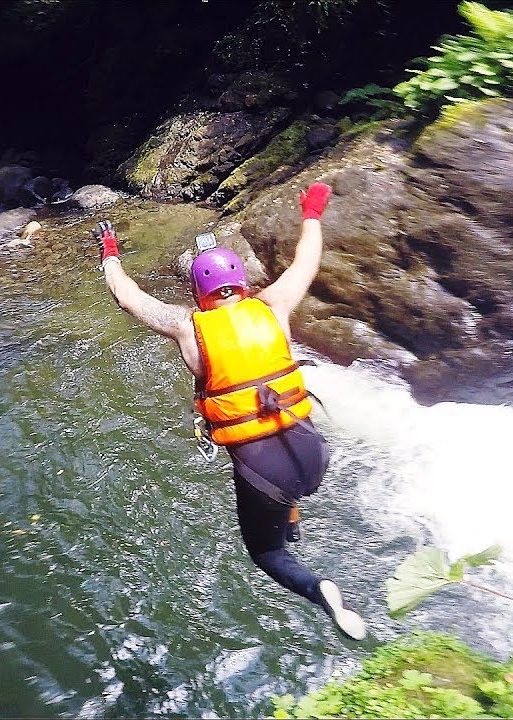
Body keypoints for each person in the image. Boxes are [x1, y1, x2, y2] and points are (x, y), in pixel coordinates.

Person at [91, 182, 366, 641]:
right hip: (312, 451)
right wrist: (312, 211)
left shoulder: (185, 325)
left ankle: (319, 590)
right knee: (283, 477)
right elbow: (306, 262)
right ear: (240, 283)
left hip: (265, 472)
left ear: (199, 293)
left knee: (266, 554)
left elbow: (129, 297)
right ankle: (292, 519)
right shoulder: (273, 305)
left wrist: (110, 252)